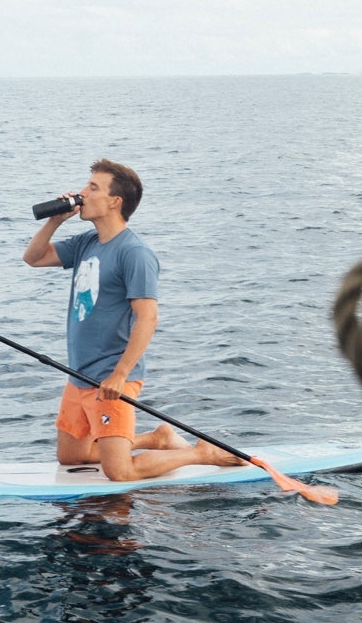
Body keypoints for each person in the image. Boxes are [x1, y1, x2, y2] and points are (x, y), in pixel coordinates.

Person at [22, 159, 242, 480]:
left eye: (93, 187)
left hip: (111, 377)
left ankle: (199, 452)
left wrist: (119, 376)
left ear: (115, 202)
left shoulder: (134, 253)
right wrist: (55, 221)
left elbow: (147, 319)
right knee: (70, 456)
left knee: (120, 472)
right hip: (79, 374)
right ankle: (156, 439)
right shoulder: (87, 242)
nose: (83, 192)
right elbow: (34, 258)